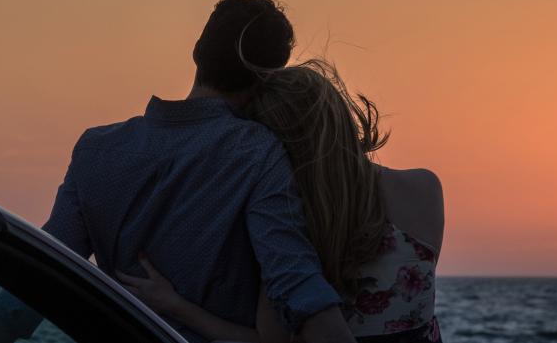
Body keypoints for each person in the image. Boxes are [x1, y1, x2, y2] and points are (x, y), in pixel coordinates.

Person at [39, 0, 356, 343]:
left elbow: (42, 270)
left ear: (197, 52)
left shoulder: (95, 149)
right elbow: (295, 280)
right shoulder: (258, 154)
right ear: (269, 77)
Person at [117, 60, 445, 343]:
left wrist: (175, 306)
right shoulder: (423, 188)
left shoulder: (288, 230)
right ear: (338, 115)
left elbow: (267, 340)